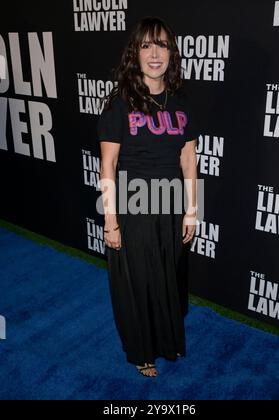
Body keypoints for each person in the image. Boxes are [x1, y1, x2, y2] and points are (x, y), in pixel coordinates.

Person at [97, 16, 199, 377]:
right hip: (134, 206)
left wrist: (190, 210)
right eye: (146, 45)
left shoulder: (182, 100)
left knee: (166, 278)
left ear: (171, 52)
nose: (155, 54)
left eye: (162, 45)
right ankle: (141, 352)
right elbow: (107, 166)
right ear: (135, 53)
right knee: (137, 284)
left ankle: (167, 340)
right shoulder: (119, 103)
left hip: (171, 205)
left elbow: (188, 159)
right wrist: (111, 222)